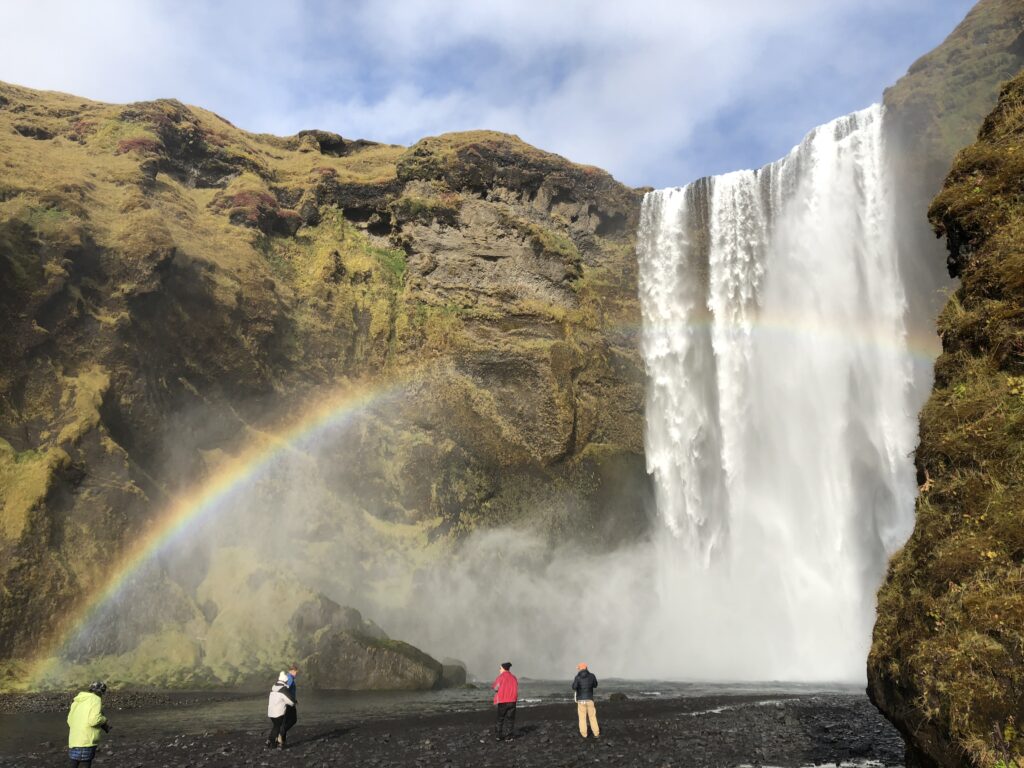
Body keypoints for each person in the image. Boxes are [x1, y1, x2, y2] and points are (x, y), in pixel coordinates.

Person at [67, 681, 110, 767]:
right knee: (86, 764)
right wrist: (104, 719)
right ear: (101, 692)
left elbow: (69, 720)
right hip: (87, 739)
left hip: (74, 740)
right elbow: (94, 720)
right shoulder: (96, 699)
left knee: (73, 763)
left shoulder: (77, 700)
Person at [266, 671, 296, 749]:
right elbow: (290, 701)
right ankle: (273, 743)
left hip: (270, 712)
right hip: (278, 712)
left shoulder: (274, 687)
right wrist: (294, 702)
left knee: (276, 726)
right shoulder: (283, 689)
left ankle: (269, 741)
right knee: (278, 727)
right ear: (284, 680)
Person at [491, 661, 518, 742]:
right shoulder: (514, 677)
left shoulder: (500, 677)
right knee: (510, 719)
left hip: (503, 701)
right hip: (512, 701)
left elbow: (495, 688)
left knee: (500, 719)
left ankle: (498, 736)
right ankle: (509, 737)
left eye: (500, 668)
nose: (499, 670)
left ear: (503, 669)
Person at [572, 663, 600, 738]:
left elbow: (574, 687)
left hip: (581, 700)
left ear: (580, 669)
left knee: (582, 718)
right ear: (586, 668)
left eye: (578, 668)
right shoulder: (592, 676)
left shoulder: (577, 677)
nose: (578, 669)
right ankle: (596, 733)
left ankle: (584, 735)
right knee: (592, 717)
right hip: (590, 699)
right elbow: (595, 685)